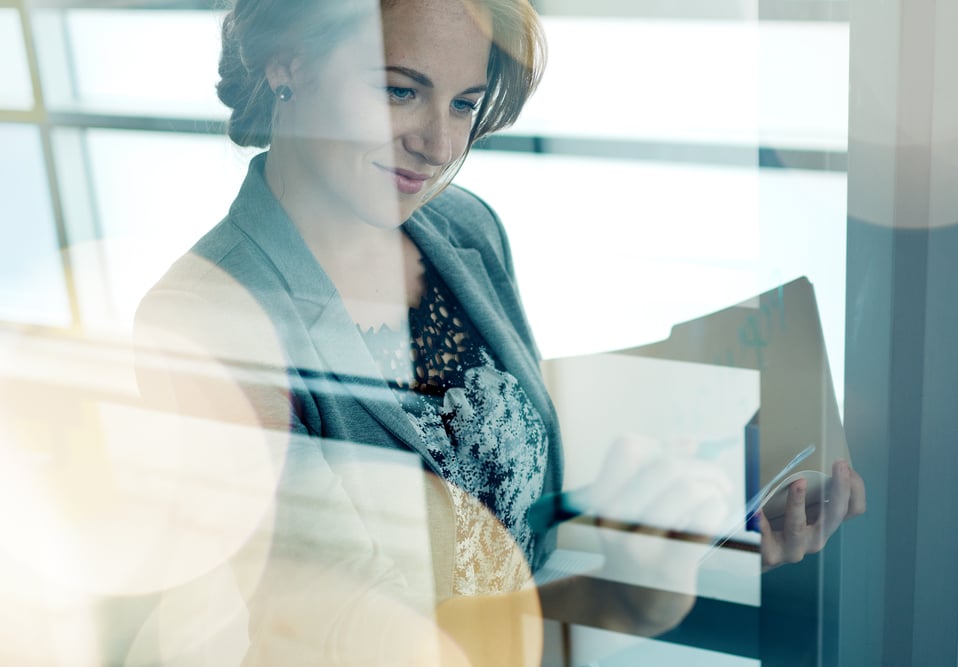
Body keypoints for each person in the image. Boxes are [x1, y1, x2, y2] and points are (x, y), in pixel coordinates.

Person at [133, 0, 865, 663]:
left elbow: (510, 502)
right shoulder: (207, 317)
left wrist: (713, 523)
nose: (438, 143)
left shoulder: (464, 229)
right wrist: (630, 594)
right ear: (288, 61)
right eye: (399, 89)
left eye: (464, 104)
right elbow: (361, 636)